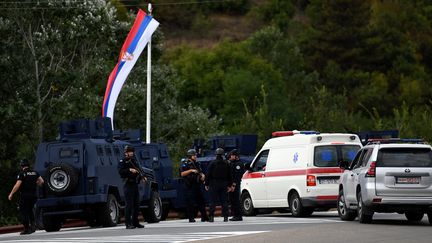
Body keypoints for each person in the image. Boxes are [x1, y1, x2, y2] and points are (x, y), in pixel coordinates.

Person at [8, 159, 44, 235]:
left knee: (23, 212)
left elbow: (17, 185)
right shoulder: (35, 172)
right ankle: (33, 226)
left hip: (25, 196)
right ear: (28, 165)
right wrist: (34, 183)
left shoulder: (22, 174)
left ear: (21, 166)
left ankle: (27, 229)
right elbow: (42, 181)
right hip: (34, 195)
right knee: (30, 210)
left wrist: (11, 194)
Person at [118, 145, 146, 229]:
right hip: (128, 184)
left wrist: (143, 176)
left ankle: (135, 222)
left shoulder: (134, 160)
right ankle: (128, 223)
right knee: (129, 205)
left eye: (132, 152)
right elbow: (120, 172)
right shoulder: (122, 161)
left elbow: (139, 169)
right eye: (130, 152)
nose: (132, 153)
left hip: (135, 184)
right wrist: (129, 170)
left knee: (136, 205)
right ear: (126, 152)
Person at [180, 149, 208, 222]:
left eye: (195, 155)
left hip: (197, 184)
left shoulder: (197, 163)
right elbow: (182, 174)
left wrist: (202, 175)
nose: (195, 156)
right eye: (194, 155)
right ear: (190, 156)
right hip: (189, 185)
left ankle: (204, 216)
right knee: (190, 202)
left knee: (201, 201)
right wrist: (191, 170)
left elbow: (200, 171)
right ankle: (191, 218)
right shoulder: (185, 163)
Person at [205, 148, 233, 222]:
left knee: (212, 201)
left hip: (214, 184)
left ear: (216, 154)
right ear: (223, 154)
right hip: (223, 183)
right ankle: (226, 217)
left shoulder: (212, 163)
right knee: (224, 201)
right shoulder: (226, 163)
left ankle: (211, 217)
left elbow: (208, 174)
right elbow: (230, 175)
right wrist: (230, 185)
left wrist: (206, 184)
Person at [227, 149, 245, 221]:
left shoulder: (238, 164)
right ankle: (235, 215)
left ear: (236, 156)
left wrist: (233, 185)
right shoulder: (233, 163)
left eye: (232, 155)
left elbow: (237, 176)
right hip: (231, 184)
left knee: (235, 200)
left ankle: (238, 216)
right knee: (232, 200)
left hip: (235, 185)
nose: (231, 157)